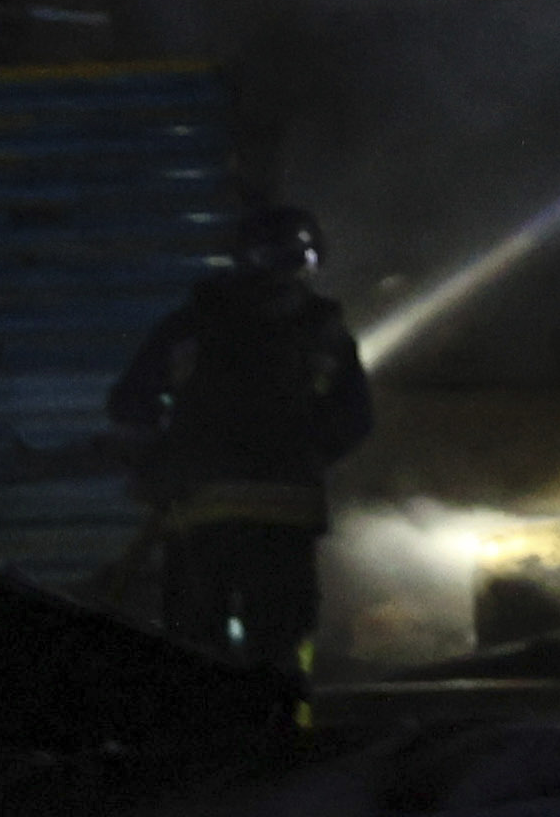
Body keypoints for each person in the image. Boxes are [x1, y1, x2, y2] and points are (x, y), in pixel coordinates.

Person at [108, 204, 372, 675]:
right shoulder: (327, 336)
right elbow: (355, 419)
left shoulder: (189, 327)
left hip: (200, 516)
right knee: (282, 647)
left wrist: (154, 465)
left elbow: (130, 404)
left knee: (194, 649)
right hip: (286, 522)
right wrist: (306, 457)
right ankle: (287, 736)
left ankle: (208, 742)